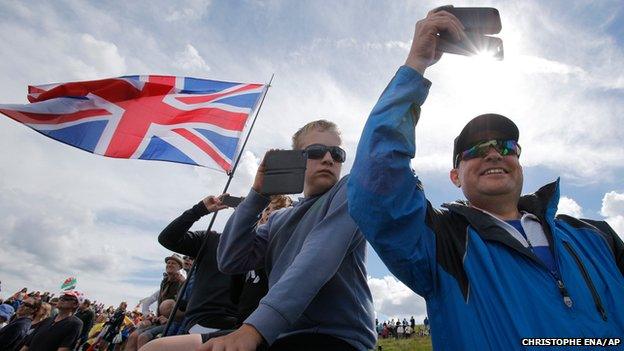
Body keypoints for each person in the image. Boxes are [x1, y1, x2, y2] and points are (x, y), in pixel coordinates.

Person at [347, 7, 624, 351]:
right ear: (454, 176)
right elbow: (375, 184)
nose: (493, 153)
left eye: (505, 145)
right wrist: (415, 65)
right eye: (475, 150)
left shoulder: (597, 237)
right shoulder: (441, 242)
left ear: (520, 161)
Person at [205, 120, 376, 351]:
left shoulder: (350, 190)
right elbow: (230, 260)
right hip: (278, 334)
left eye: (337, 154)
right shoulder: (278, 219)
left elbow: (316, 260)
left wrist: (253, 330)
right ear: (297, 159)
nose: (328, 159)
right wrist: (257, 195)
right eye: (316, 151)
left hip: (337, 337)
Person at [140, 196, 292, 351]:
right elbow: (168, 239)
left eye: (279, 212)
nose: (270, 215)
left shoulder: (274, 253)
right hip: (208, 321)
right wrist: (199, 210)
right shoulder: (212, 239)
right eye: (266, 209)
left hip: (243, 326)